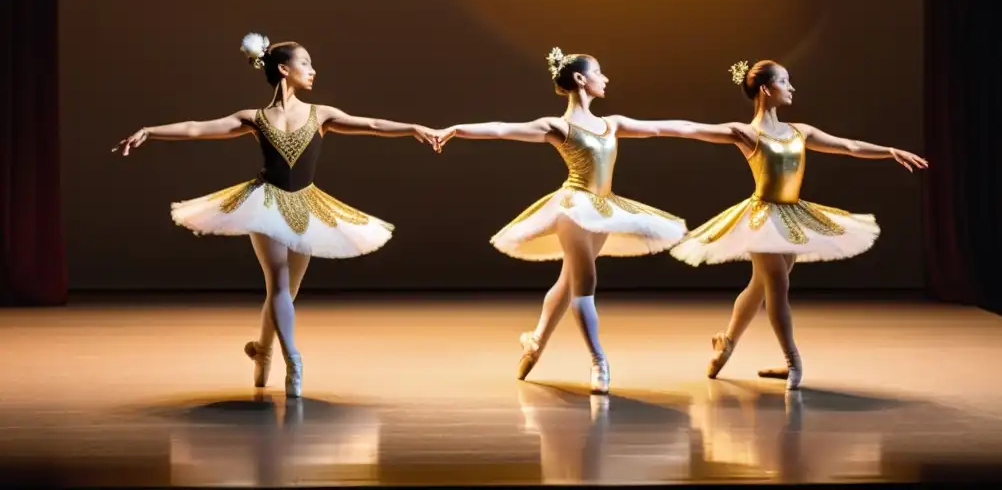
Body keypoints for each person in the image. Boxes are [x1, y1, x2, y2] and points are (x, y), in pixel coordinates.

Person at [113, 33, 443, 397]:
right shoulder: (253, 118)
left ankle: (263, 349)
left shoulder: (323, 115)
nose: (313, 70)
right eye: (306, 63)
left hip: (305, 205)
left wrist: (414, 127)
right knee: (279, 286)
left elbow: (375, 125)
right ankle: (293, 359)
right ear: (284, 69)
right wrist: (149, 131)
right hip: (266, 204)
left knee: (286, 292)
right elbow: (196, 128)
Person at [434, 48, 688, 394]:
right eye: (599, 71)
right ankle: (599, 360)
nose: (606, 78)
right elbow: (500, 130)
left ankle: (535, 341)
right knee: (585, 279)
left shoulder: (611, 124)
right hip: (572, 208)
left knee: (568, 281)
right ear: (581, 79)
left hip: (603, 209)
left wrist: (727, 132)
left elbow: (663, 128)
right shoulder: (558, 127)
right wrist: (457, 129)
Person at [668, 59, 927, 389]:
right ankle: (793, 362)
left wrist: (889, 151)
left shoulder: (799, 132)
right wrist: (633, 126)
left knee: (759, 286)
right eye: (785, 82)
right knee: (777, 284)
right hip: (762, 218)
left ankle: (726, 343)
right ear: (766, 89)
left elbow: (849, 146)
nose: (792, 88)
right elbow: (688, 128)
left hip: (791, 216)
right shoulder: (747, 133)